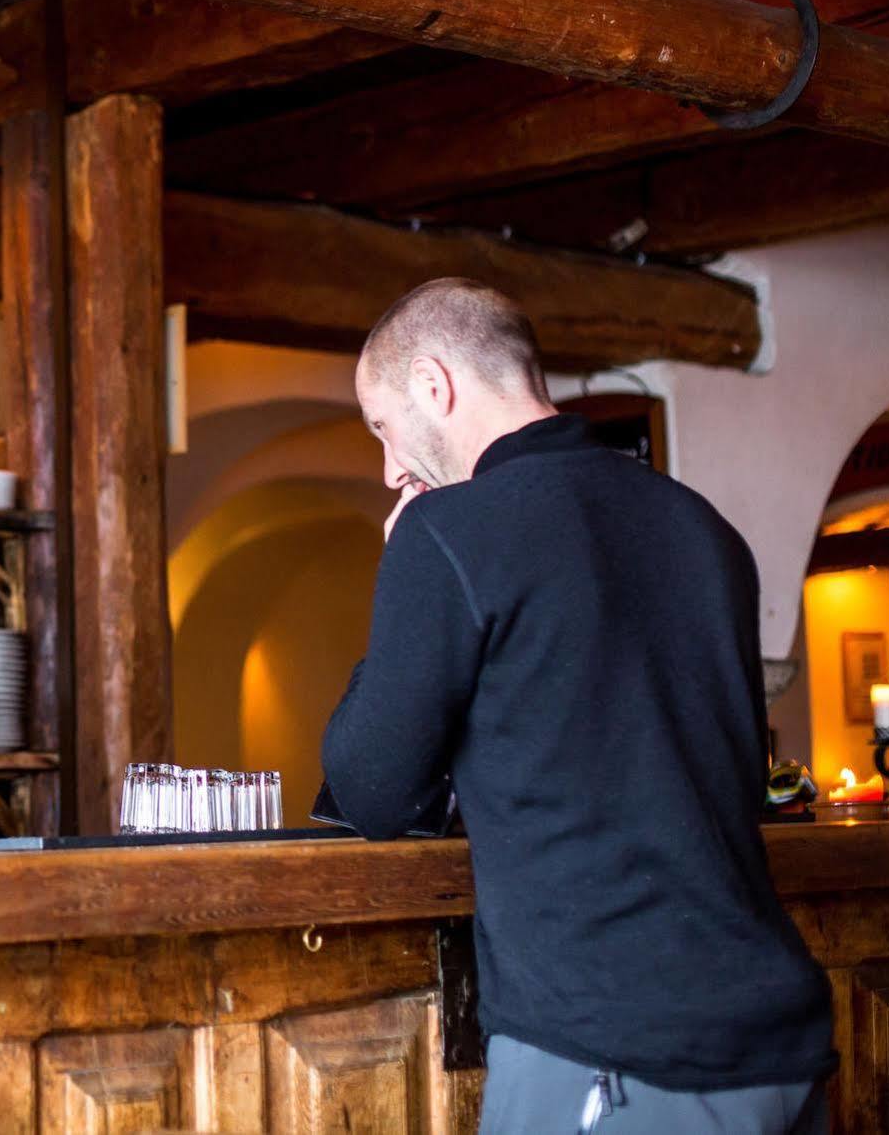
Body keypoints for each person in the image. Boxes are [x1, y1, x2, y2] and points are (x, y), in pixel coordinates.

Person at [321, 279, 832, 1134]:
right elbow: (731, 777)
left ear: (434, 387)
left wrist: (399, 569)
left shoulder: (445, 530)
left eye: (381, 425)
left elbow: (373, 789)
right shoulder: (701, 526)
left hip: (619, 1050)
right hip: (777, 1042)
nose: (388, 467)